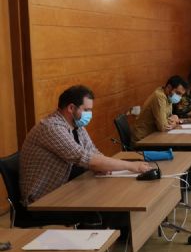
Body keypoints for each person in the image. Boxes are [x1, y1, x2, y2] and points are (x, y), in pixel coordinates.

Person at [20, 85, 152, 207]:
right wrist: (132, 166)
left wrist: (104, 166)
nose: (89, 114)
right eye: (86, 110)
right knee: (112, 207)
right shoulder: (51, 128)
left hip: (70, 188)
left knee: (116, 197)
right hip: (44, 201)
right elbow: (86, 158)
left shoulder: (76, 125)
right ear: (71, 108)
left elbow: (93, 151)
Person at [131, 75, 187, 143]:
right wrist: (175, 123)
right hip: (142, 140)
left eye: (181, 95)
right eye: (178, 93)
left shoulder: (168, 97)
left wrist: (174, 118)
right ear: (169, 87)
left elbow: (168, 117)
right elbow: (163, 127)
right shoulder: (159, 97)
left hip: (155, 136)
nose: (179, 97)